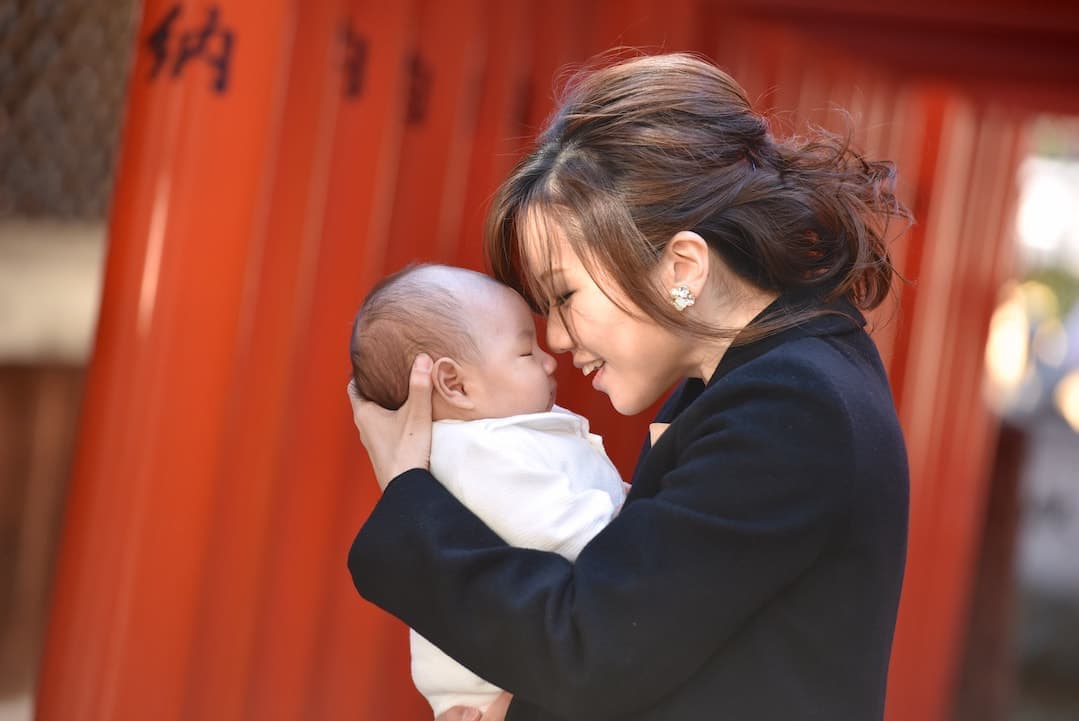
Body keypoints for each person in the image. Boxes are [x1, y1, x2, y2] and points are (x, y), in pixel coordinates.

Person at [347, 52, 911, 721]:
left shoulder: (789, 406)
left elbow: (595, 645)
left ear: (681, 263)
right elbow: (665, 645)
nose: (555, 337)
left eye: (563, 295)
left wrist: (408, 489)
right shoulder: (763, 377)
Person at [349, 264, 627, 718]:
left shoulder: (502, 440)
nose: (549, 358)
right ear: (455, 385)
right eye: (525, 352)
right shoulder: (482, 453)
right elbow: (567, 537)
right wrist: (647, 516)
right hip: (491, 691)